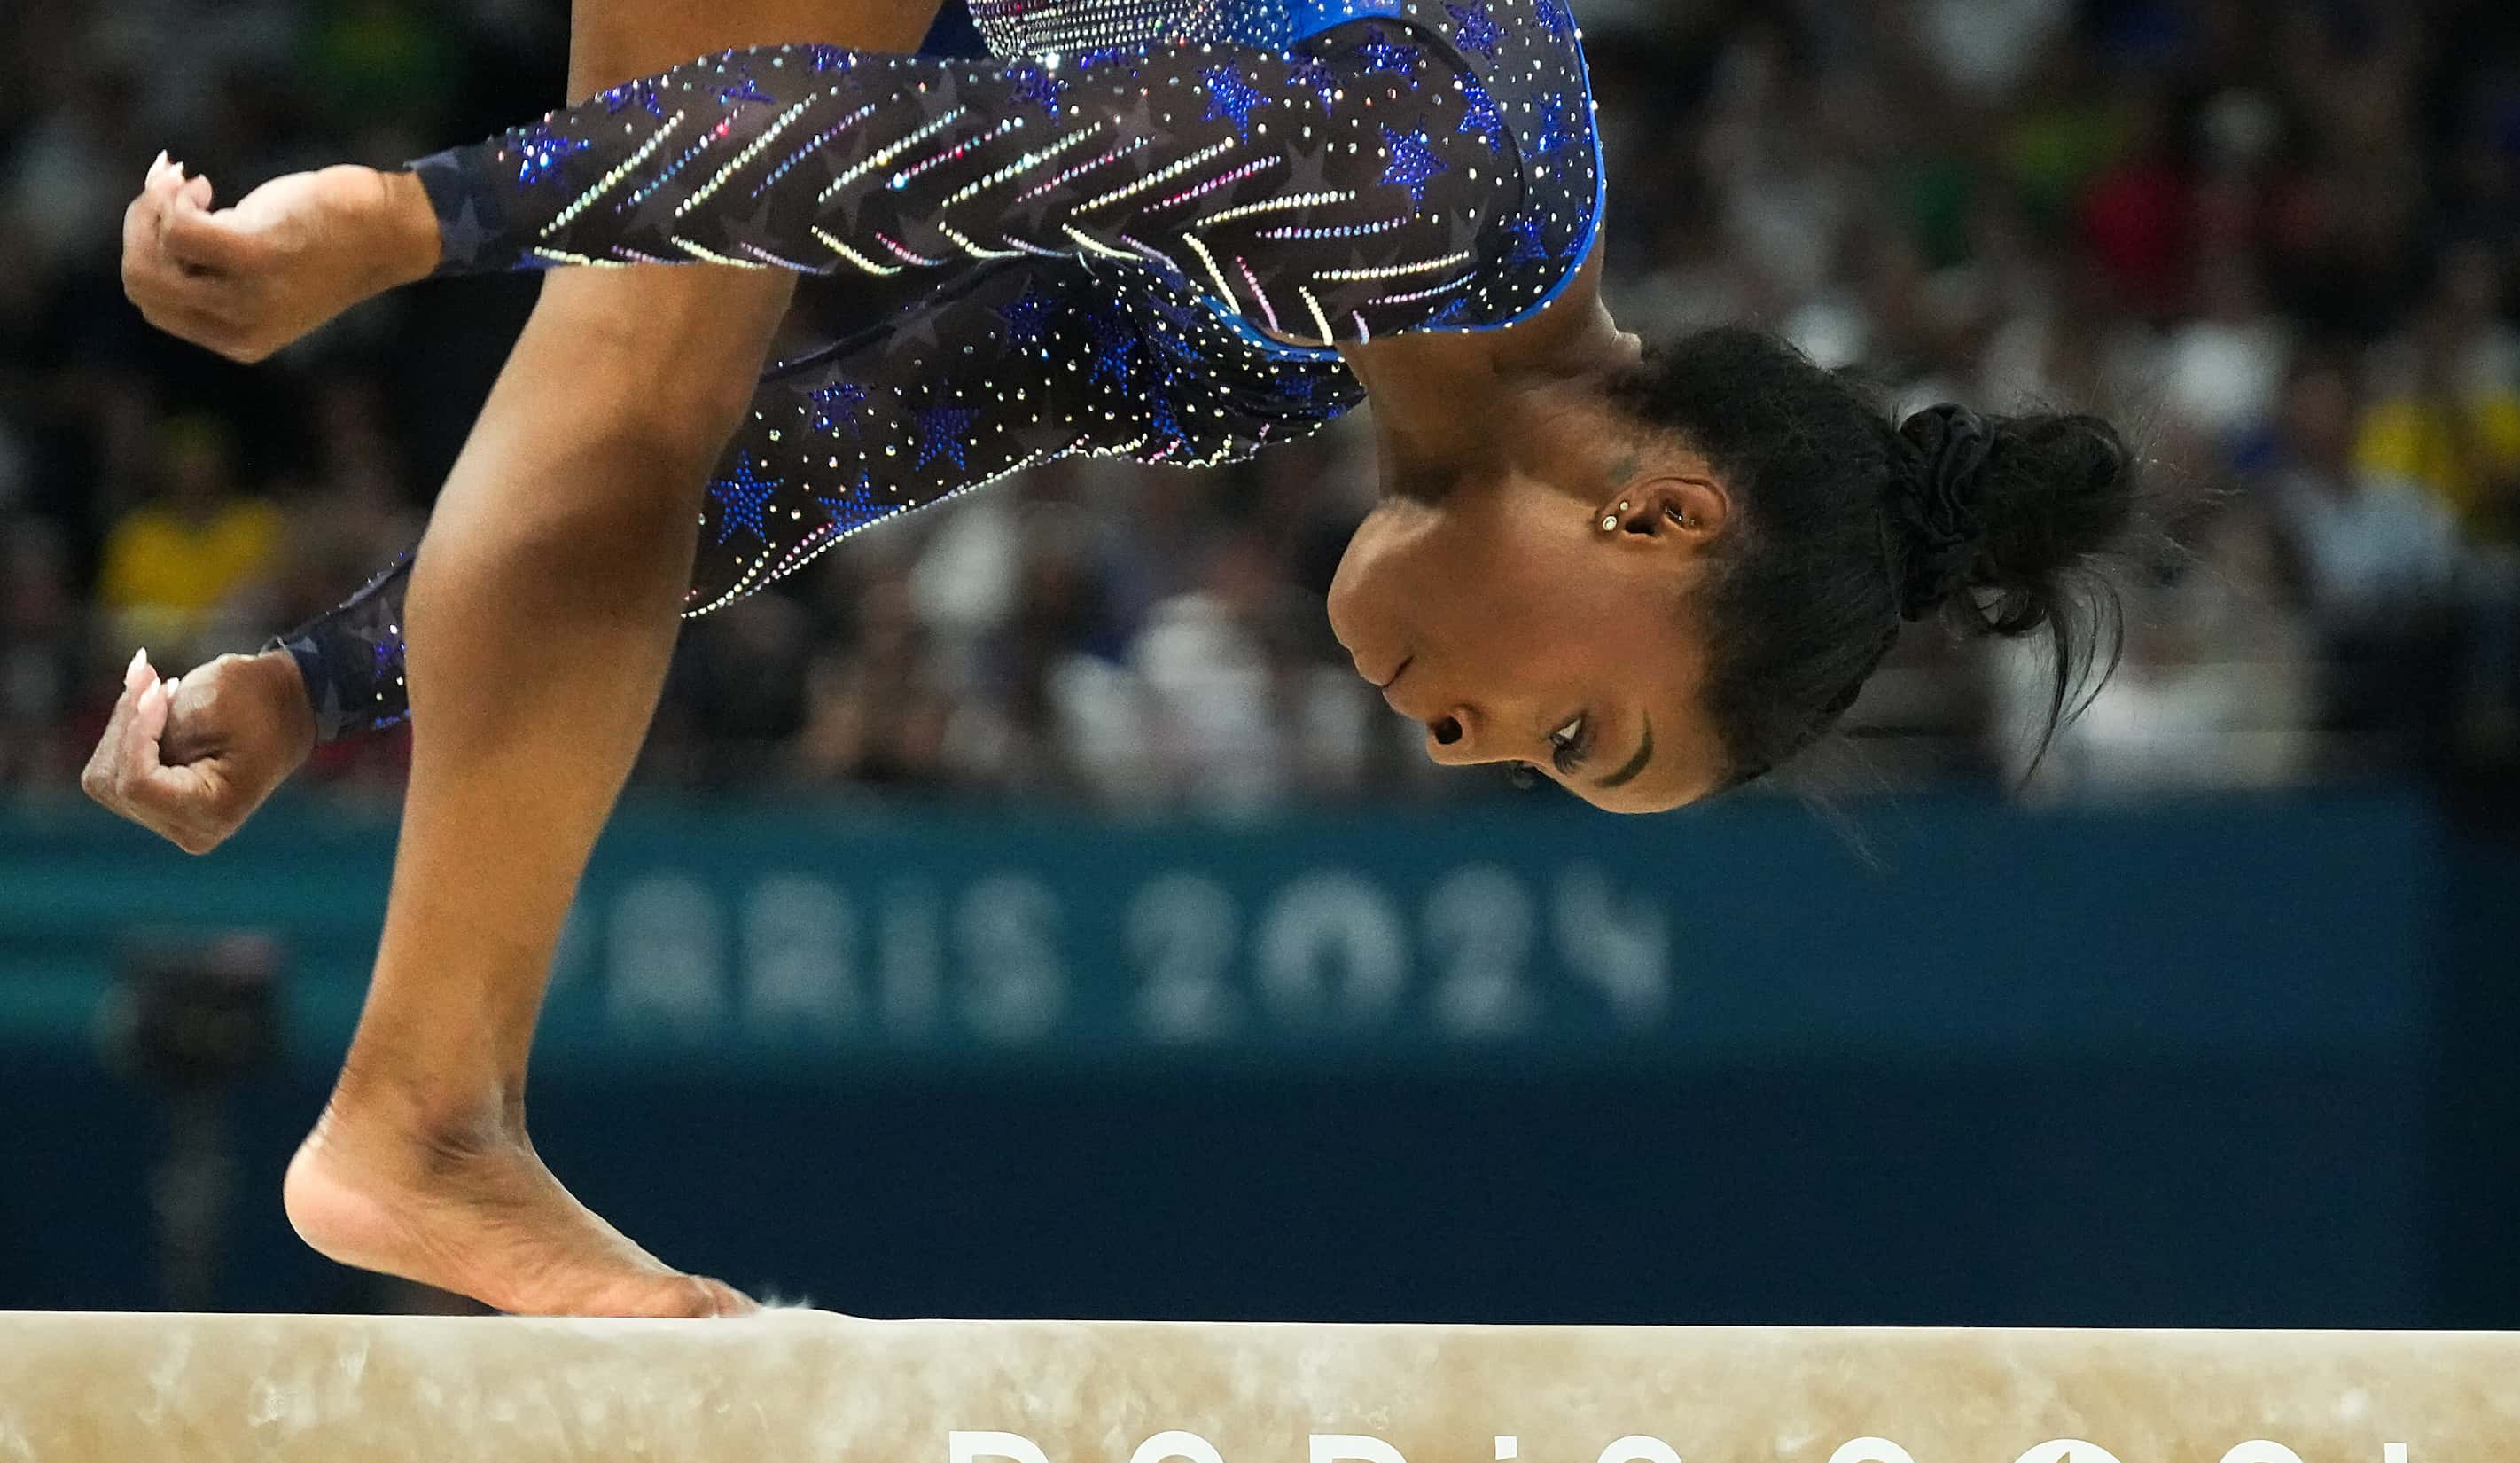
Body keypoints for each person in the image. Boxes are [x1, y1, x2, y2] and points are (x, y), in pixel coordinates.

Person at [89, 0, 2142, 1318]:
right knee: (645, 335)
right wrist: (410, 217)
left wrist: (326, 678)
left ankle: (423, 1116)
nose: (1462, 748)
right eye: (1578, 732)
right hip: (896, 86)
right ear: (1662, 515)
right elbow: (886, 157)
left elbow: (805, 456)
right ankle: (422, 1122)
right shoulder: (1445, 186)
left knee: (658, 387)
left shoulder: (1253, 352)